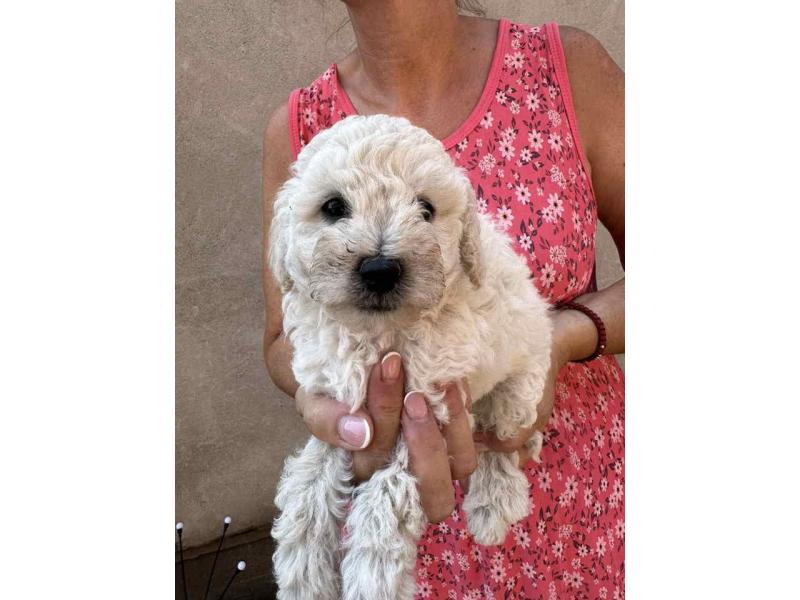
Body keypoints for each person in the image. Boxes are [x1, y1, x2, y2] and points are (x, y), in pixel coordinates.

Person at [262, 1, 625, 597]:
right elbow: (282, 335)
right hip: (410, 535)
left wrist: (555, 342)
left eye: (424, 210)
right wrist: (331, 403)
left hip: (578, 503)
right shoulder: (299, 125)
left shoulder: (565, 68)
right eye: (335, 209)